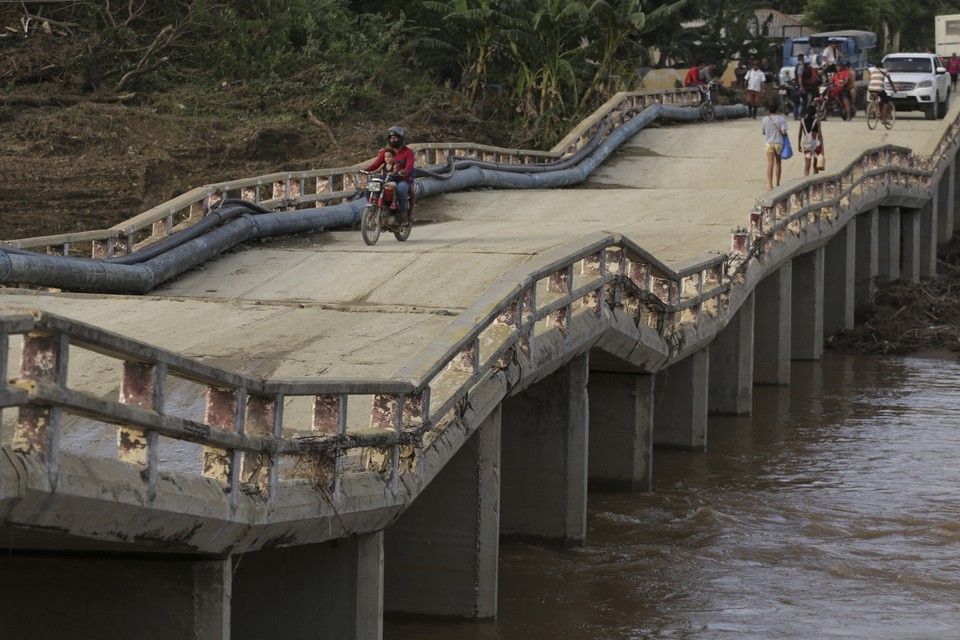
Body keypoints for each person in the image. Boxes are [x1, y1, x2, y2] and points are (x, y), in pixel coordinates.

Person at [366, 126, 415, 221]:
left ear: (401, 138)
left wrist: (405, 171)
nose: (393, 140)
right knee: (368, 189)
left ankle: (403, 213)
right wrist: (366, 170)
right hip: (386, 179)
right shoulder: (386, 152)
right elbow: (376, 164)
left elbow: (409, 165)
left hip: (402, 179)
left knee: (400, 189)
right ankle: (373, 208)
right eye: (391, 137)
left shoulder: (408, 152)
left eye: (396, 137)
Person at [761, 102, 789, 191]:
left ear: (769, 109)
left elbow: (764, 132)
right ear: (777, 109)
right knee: (778, 163)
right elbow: (784, 132)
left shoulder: (765, 119)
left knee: (770, 164)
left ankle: (770, 185)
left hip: (769, 143)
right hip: (778, 143)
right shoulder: (781, 119)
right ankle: (777, 183)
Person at [798, 105, 824, 176]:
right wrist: (822, 149)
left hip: (806, 145)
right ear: (814, 113)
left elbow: (799, 134)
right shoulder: (817, 121)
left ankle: (806, 180)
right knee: (815, 165)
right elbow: (820, 136)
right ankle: (815, 185)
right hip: (816, 145)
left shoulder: (802, 121)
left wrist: (799, 146)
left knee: (807, 165)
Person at [793, 54, 810, 120]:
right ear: (802, 59)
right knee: (805, 100)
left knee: (796, 101)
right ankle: (801, 115)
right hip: (800, 86)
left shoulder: (796, 66)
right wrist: (801, 86)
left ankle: (795, 116)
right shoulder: (801, 66)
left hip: (796, 85)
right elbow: (800, 76)